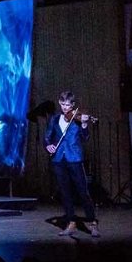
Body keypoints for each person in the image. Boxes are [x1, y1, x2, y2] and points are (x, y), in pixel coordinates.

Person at [44, 90, 100, 237]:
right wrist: (48, 145)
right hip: (58, 159)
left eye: (68, 105)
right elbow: (47, 136)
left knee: (83, 192)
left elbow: (85, 138)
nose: (65, 108)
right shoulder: (54, 119)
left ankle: (92, 223)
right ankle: (71, 223)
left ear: (73, 105)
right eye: (62, 104)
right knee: (65, 192)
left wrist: (84, 125)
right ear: (59, 103)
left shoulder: (78, 119)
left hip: (74, 158)